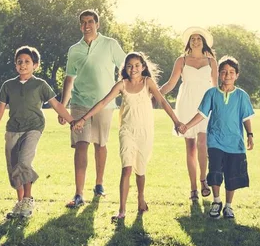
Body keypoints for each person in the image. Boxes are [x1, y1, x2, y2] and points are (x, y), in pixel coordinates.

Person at [73, 52, 182, 221]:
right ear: (125, 68)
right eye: (130, 66)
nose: (133, 69)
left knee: (140, 171)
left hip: (145, 132)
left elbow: (162, 101)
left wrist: (176, 121)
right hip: (127, 132)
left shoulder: (148, 83)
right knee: (127, 168)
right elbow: (103, 102)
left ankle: (140, 198)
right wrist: (83, 119)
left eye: (137, 65)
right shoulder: (122, 85)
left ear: (143, 67)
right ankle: (122, 210)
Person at [0, 46, 74, 218]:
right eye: (19, 62)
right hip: (13, 129)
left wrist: (72, 121)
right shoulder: (8, 85)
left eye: (27, 62)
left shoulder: (40, 85)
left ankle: (28, 200)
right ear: (15, 65)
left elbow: (56, 104)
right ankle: (20, 204)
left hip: (33, 128)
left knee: (24, 162)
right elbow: (0, 108)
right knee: (13, 168)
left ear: (35, 65)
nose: (23, 65)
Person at [59, 9, 126, 208]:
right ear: (80, 26)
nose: (86, 25)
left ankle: (99, 184)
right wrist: (63, 107)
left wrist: (123, 90)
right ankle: (79, 193)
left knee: (100, 144)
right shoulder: (74, 50)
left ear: (97, 24)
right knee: (81, 144)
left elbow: (126, 67)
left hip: (105, 104)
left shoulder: (110, 44)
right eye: (83, 22)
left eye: (90, 21)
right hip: (79, 103)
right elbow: (69, 78)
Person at [179, 56, 255, 219]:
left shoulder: (242, 96)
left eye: (231, 72)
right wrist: (187, 126)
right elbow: (201, 114)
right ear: (219, 74)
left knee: (231, 174)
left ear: (237, 75)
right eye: (224, 72)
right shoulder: (212, 93)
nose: (227, 75)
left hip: (235, 143)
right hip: (215, 140)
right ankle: (216, 201)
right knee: (215, 172)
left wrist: (250, 134)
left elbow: (246, 117)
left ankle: (228, 206)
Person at [159, 27, 218, 201]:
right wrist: (156, 92)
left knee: (202, 143)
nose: (195, 41)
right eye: (192, 39)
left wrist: (219, 107)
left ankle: (203, 181)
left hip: (205, 105)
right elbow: (171, 84)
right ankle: (193, 188)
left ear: (203, 41)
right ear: (189, 42)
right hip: (186, 104)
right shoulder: (181, 60)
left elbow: (215, 88)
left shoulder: (211, 61)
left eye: (199, 38)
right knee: (190, 147)